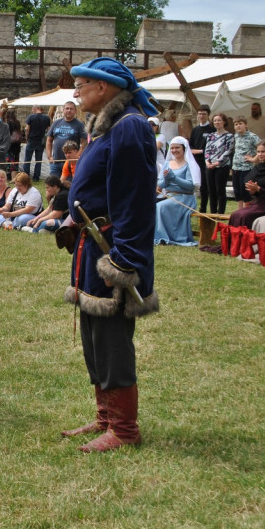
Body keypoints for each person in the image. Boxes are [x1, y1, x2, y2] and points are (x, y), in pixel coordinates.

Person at [60, 57, 159, 453]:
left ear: (103, 87)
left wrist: (123, 261)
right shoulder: (104, 127)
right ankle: (105, 418)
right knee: (93, 335)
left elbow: (135, 201)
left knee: (112, 337)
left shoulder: (129, 127)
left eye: (81, 84)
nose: (76, 92)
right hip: (92, 243)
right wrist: (71, 218)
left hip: (113, 250)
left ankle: (124, 429)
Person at [153, 136, 199, 246]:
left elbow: (190, 186)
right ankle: (157, 235)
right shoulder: (167, 164)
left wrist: (174, 178)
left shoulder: (189, 165)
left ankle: (163, 236)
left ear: (184, 149)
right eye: (172, 148)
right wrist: (167, 179)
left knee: (160, 207)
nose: (174, 150)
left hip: (185, 198)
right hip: (169, 196)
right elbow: (160, 184)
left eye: (177, 148)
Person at [228, 140, 265, 229]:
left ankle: (247, 241)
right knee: (235, 214)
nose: (260, 154)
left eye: (263, 151)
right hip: (257, 203)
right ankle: (236, 243)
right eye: (258, 152)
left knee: (244, 216)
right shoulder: (257, 168)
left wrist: (259, 189)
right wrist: (253, 191)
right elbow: (250, 186)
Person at [204, 112, 234, 215]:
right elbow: (207, 149)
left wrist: (217, 163)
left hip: (222, 166)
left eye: (219, 120)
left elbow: (228, 150)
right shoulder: (210, 135)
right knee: (211, 191)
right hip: (210, 165)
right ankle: (213, 212)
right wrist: (207, 161)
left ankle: (220, 213)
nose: (217, 122)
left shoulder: (229, 136)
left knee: (220, 190)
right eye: (215, 120)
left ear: (224, 122)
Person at [46, 101, 86, 177]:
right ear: (63, 110)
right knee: (53, 185)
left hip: (70, 162)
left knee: (69, 185)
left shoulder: (79, 124)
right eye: (67, 108)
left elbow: (84, 143)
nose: (69, 110)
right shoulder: (56, 123)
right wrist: (49, 156)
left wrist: (77, 155)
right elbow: (49, 140)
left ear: (75, 111)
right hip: (56, 161)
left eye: (71, 109)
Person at [188, 104, 214, 213]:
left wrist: (201, 151)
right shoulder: (195, 129)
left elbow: (212, 146)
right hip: (195, 160)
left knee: (204, 185)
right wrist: (194, 150)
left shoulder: (212, 129)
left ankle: (203, 208)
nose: (201, 116)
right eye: (199, 114)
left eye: (204, 114)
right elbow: (191, 145)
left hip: (207, 161)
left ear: (208, 115)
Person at [230, 115, 260, 210]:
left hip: (246, 168)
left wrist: (254, 159)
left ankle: (246, 210)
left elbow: (262, 148)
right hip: (236, 168)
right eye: (236, 124)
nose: (238, 126)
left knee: (245, 191)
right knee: (237, 191)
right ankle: (239, 210)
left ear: (245, 125)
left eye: (240, 124)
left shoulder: (252, 136)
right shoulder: (236, 136)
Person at [23, 104, 51, 181]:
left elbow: (27, 129)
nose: (32, 110)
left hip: (31, 140)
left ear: (35, 108)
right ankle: (36, 177)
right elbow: (49, 130)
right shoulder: (46, 118)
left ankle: (26, 176)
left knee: (27, 160)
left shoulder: (31, 117)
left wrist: (26, 138)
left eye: (32, 109)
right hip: (41, 141)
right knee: (38, 160)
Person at [5, 108, 22, 173]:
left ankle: (10, 174)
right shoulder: (17, 122)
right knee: (16, 160)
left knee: (10, 160)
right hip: (17, 145)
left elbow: (8, 134)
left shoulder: (8, 123)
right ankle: (15, 174)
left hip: (10, 145)